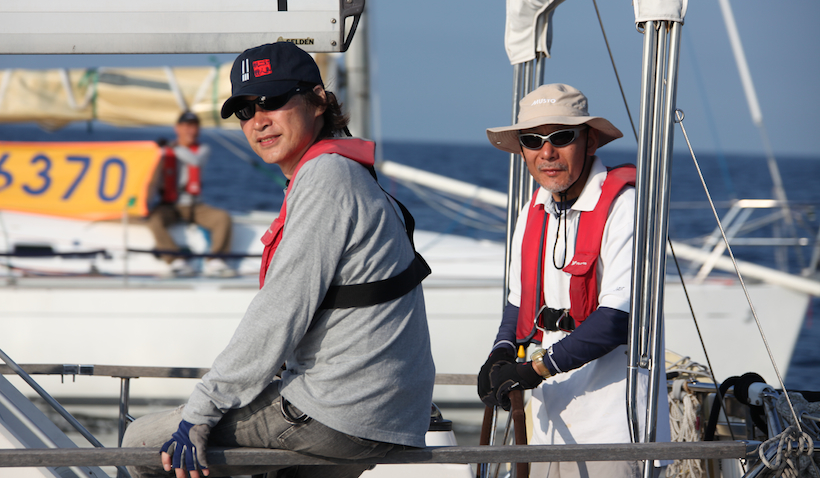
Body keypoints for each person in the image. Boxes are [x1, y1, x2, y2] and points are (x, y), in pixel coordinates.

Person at [123, 41, 436, 478]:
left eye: (272, 100)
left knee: (139, 443)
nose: (259, 120)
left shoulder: (326, 179)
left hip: (340, 410)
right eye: (245, 110)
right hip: (389, 409)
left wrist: (201, 413)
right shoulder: (346, 170)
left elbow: (279, 313)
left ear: (319, 101)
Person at [478, 83, 670, 478]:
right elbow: (518, 304)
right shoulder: (534, 209)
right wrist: (500, 354)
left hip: (613, 433)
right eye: (533, 140)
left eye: (562, 137)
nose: (547, 152)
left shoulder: (626, 208)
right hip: (547, 429)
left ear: (590, 141)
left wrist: (533, 370)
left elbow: (618, 318)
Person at [147, 110, 235, 278]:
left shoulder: (202, 150)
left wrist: (172, 147)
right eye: (187, 126)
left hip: (195, 205)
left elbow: (195, 161)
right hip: (170, 205)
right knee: (154, 220)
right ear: (177, 128)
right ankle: (175, 260)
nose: (191, 131)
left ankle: (216, 260)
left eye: (194, 127)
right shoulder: (164, 152)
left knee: (222, 218)